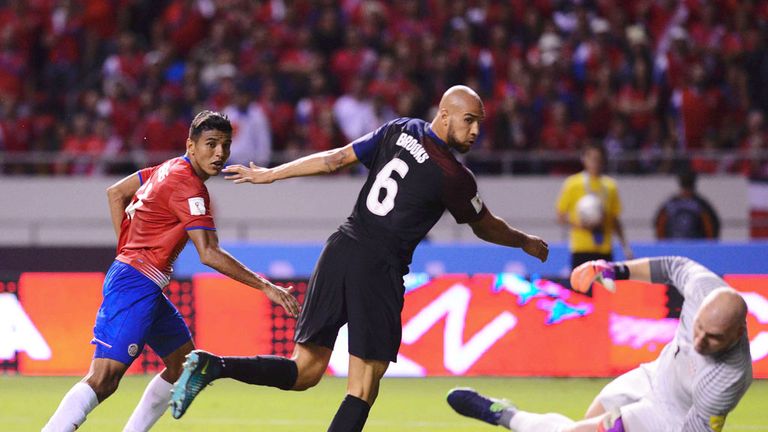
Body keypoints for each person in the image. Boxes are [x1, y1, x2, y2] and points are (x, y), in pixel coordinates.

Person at [169, 85, 550, 431]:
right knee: (363, 386)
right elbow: (485, 226)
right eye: (469, 121)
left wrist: (272, 174)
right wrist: (525, 241)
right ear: (445, 115)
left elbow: (336, 159)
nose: (475, 132)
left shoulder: (400, 128)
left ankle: (214, 365)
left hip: (341, 247)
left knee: (305, 370)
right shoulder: (454, 176)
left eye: (479, 124)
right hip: (379, 266)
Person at [41, 111, 299, 432]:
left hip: (142, 281)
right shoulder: (189, 187)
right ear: (191, 145)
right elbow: (209, 253)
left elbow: (116, 193)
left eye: (225, 145)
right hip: (135, 282)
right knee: (104, 378)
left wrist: (127, 247)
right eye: (211, 144)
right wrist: (266, 287)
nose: (219, 153)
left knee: (182, 365)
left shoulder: (167, 168)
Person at [446, 256, 753, 432]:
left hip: (673, 416)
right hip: (653, 375)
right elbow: (672, 266)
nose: (699, 341)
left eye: (713, 338)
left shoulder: (727, 379)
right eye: (698, 328)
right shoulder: (703, 287)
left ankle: (503, 415)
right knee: (584, 423)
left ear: (738, 333)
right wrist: (614, 270)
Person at [555, 142, 632, 270]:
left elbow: (615, 220)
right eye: (592, 158)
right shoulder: (572, 184)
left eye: (599, 159)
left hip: (604, 250)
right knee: (581, 290)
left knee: (605, 288)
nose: (595, 162)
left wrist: (625, 246)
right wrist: (580, 225)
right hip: (581, 249)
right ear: (584, 159)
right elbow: (560, 216)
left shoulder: (610, 186)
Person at [654, 171, 720, 239]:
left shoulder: (670, 204)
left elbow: (710, 228)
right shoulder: (700, 204)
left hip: (695, 246)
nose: (686, 192)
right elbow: (660, 227)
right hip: (674, 246)